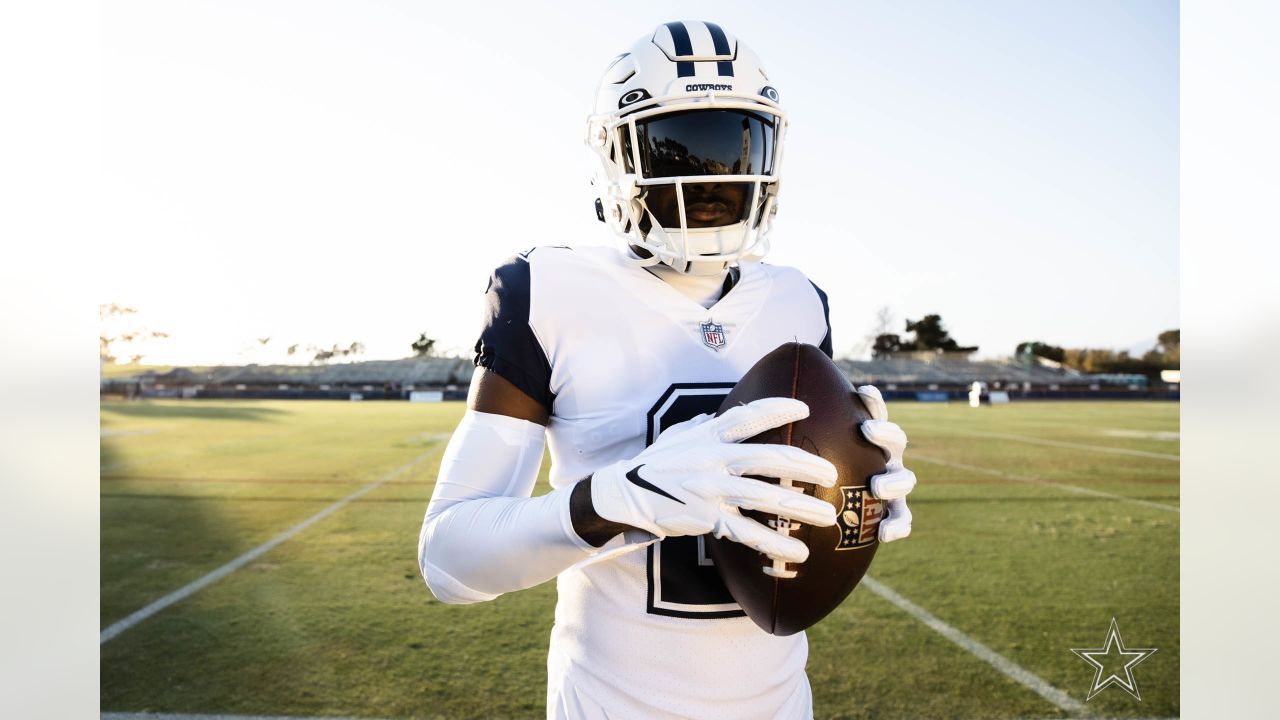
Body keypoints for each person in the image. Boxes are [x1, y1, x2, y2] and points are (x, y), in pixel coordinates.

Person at [418, 21, 917, 719]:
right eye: (680, 145)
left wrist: (853, 497)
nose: (710, 175)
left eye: (732, 144)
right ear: (617, 155)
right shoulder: (546, 289)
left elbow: (798, 491)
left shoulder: (799, 300)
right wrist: (616, 498)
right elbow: (449, 561)